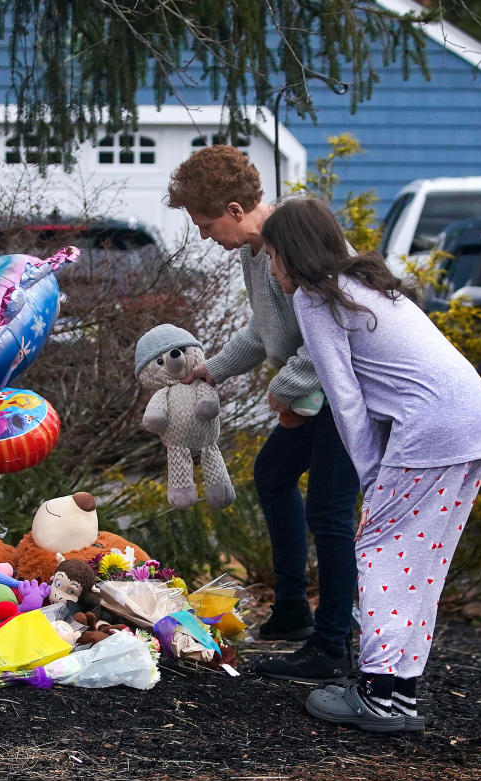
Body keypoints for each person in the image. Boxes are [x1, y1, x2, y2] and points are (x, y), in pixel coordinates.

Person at [260, 196, 481, 732]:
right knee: (420, 564)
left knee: (380, 551)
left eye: (272, 256)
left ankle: (374, 694)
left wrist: (370, 473)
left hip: (431, 428)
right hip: (474, 420)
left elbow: (344, 398)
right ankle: (401, 694)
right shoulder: (366, 284)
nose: (270, 268)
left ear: (291, 254)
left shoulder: (316, 301)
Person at [166, 146, 360, 682]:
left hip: (346, 396)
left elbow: (335, 327)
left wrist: (284, 386)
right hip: (312, 396)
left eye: (205, 224)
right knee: (273, 474)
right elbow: (264, 330)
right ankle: (293, 610)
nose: (204, 236)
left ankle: (331, 645)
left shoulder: (300, 243)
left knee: (329, 514)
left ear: (234, 209)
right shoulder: (256, 254)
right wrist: (214, 369)